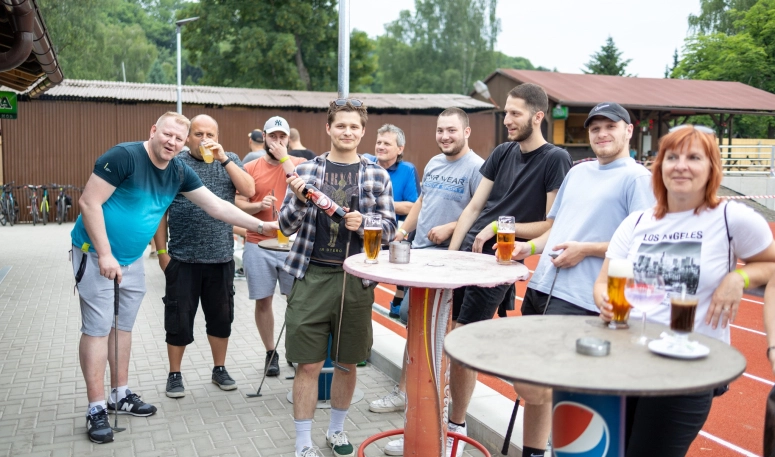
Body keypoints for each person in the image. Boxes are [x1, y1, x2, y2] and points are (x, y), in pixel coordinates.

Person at [71, 112, 274, 444]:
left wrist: (263, 227)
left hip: (132, 260)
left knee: (122, 328)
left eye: (178, 139)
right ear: (153, 131)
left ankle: (119, 393)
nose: (172, 142)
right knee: (97, 328)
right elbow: (89, 202)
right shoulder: (124, 157)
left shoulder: (179, 170)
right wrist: (105, 253)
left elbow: (218, 207)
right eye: (168, 134)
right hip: (94, 254)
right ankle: (95, 407)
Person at [593, 125, 775, 457]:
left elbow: (771, 263)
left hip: (689, 368)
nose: (681, 165)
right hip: (628, 360)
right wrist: (603, 301)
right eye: (672, 157)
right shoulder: (636, 222)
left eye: (694, 157)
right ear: (659, 165)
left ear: (711, 167)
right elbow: (604, 280)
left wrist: (739, 279)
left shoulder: (731, 218)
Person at [507, 102, 653, 457]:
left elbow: (641, 243)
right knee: (533, 384)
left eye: (610, 127)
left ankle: (568, 446)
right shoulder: (577, 172)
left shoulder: (637, 178)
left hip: (582, 297)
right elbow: (557, 230)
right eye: (595, 129)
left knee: (540, 383)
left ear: (628, 130)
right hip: (542, 285)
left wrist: (586, 250)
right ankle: (533, 452)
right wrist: (529, 248)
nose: (602, 134)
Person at [446, 83, 572, 456]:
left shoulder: (555, 159)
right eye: (505, 112)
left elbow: (553, 223)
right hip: (470, 254)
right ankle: (452, 419)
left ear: (537, 116)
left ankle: (456, 425)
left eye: (515, 113)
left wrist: (503, 228)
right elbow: (473, 209)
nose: (507, 120)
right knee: (453, 336)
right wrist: (452, 257)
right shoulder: (502, 152)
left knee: (463, 339)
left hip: (501, 261)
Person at [280, 99, 396, 457]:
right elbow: (285, 226)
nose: (347, 132)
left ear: (363, 132)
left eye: (354, 127)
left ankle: (336, 431)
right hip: (311, 274)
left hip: (356, 279)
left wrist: (367, 224)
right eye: (341, 125)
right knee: (308, 363)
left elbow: (391, 229)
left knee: (347, 363)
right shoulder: (307, 172)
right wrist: (300, 199)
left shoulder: (377, 175)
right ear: (328, 129)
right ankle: (303, 442)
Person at [371, 108, 484, 456]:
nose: (445, 136)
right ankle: (411, 401)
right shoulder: (434, 162)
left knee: (442, 341)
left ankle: (442, 423)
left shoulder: (478, 168)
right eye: (440, 130)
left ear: (467, 131)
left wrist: (451, 230)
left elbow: (481, 210)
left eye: (452, 130)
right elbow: (423, 201)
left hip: (449, 266)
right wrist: (402, 232)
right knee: (413, 326)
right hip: (417, 258)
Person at [152, 114, 256, 399]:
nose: (205, 140)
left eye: (210, 134)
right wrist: (162, 255)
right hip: (182, 260)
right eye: (198, 134)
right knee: (178, 320)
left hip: (221, 259)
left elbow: (249, 190)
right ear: (188, 138)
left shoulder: (230, 159)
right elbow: (161, 211)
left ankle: (219, 369)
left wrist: (224, 159)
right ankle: (175, 374)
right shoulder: (176, 164)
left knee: (221, 320)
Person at [235, 116, 305, 377]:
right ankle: (270, 352)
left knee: (296, 301)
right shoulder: (250, 166)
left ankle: (295, 350)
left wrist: (286, 158)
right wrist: (258, 206)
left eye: (282, 137)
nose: (277, 142)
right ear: (263, 137)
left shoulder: (298, 164)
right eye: (272, 137)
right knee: (263, 301)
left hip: (292, 245)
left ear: (288, 139)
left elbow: (307, 191)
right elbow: (238, 203)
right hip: (258, 243)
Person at [363, 124, 420, 317]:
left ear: (400, 149)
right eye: (378, 142)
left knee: (403, 241)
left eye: (387, 143)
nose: (380, 146)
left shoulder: (407, 170)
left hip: (394, 231)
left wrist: (382, 203)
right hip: (365, 229)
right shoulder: (365, 162)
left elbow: (413, 206)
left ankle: (399, 296)